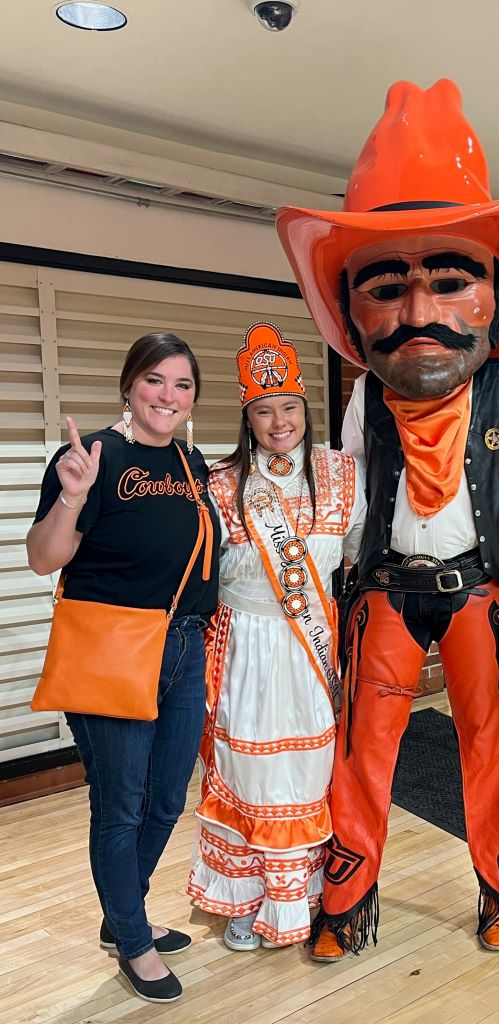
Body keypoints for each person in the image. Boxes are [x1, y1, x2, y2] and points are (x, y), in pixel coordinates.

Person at [275, 78, 499, 961]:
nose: (420, 313)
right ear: (355, 313)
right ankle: (343, 901)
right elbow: (346, 502)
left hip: (478, 587)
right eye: (388, 287)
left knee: (498, 740)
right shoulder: (364, 398)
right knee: (361, 750)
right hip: (384, 592)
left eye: (449, 280)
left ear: (498, 297)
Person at [27, 332, 220, 1004]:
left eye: (182, 384)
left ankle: (123, 915)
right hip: (113, 648)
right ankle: (133, 940)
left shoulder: (194, 463)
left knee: (167, 798)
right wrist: (73, 496)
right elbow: (44, 558)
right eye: (155, 381)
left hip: (186, 648)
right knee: (120, 805)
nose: (168, 396)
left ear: (194, 396)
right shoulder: (92, 458)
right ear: (129, 384)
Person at [188, 322, 365, 950]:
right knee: (246, 770)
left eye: (288, 406)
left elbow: (351, 558)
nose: (278, 421)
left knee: (306, 772)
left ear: (305, 409)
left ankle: (302, 897)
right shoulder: (218, 482)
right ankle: (245, 897)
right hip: (243, 646)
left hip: (309, 648)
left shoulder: (342, 475)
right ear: (248, 416)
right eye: (263, 410)